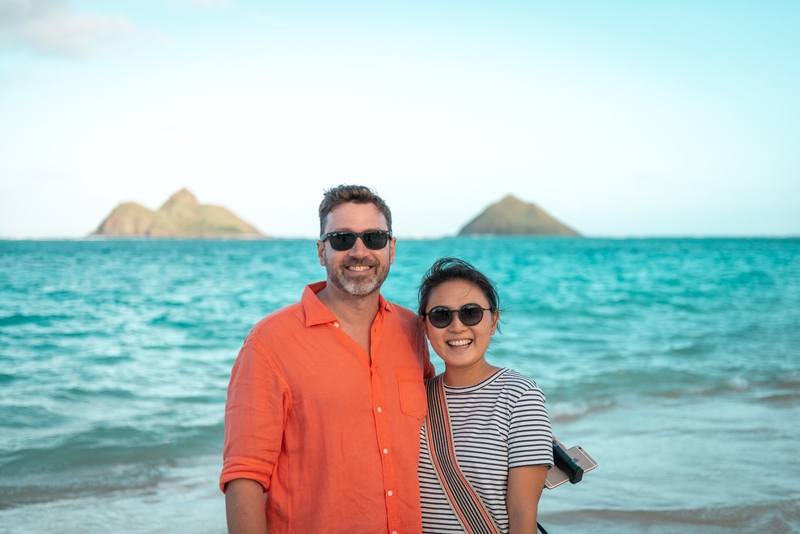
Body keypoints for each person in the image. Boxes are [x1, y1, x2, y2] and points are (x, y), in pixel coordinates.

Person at [221, 185, 435, 534]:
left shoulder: (413, 330)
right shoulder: (268, 342)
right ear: (322, 251)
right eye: (341, 239)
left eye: (374, 238)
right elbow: (244, 474)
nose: (359, 251)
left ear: (392, 249)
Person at [416, 257, 553, 534]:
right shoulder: (414, 397)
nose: (457, 326)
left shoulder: (520, 395)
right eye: (441, 315)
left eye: (471, 313)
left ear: (493, 321)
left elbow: (522, 516)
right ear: (426, 327)